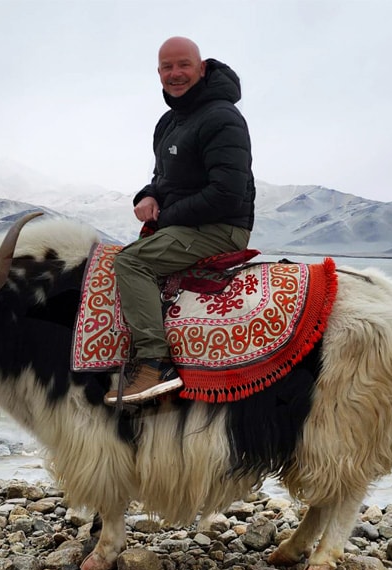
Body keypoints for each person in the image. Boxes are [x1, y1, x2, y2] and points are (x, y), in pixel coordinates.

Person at [104, 36, 255, 406]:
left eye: (183, 65)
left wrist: (166, 218)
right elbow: (164, 180)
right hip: (188, 225)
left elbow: (227, 193)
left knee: (131, 261)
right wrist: (148, 196)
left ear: (201, 69)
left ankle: (156, 364)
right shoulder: (169, 122)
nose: (176, 74)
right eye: (167, 67)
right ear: (158, 73)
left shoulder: (222, 117)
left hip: (220, 228)